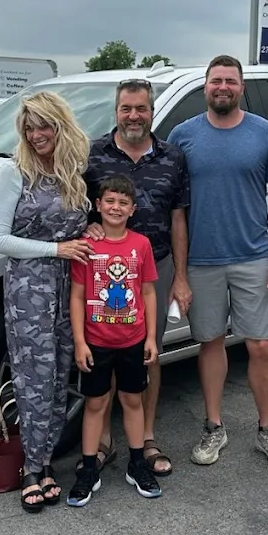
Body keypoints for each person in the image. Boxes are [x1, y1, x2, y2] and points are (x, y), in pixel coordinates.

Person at [168, 55, 268, 469]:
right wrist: (181, 274)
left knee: (261, 345)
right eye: (215, 81)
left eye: (230, 80)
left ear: (241, 87)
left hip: (254, 257)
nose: (222, 87)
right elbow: (176, 209)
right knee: (209, 342)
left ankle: (267, 431)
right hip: (202, 261)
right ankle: (213, 426)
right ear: (205, 87)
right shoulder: (183, 135)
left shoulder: (266, 134)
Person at [0, 91, 93, 512]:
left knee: (60, 372)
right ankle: (32, 468)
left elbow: (84, 223)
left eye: (43, 126)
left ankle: (47, 461)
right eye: (29, 128)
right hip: (29, 287)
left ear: (60, 125)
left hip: (72, 285)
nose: (36, 135)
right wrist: (57, 250)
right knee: (33, 375)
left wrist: (90, 237)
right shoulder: (16, 172)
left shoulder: (75, 170)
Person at [80, 77, 191, 477]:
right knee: (105, 352)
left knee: (147, 352)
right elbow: (78, 208)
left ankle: (146, 438)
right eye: (126, 108)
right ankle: (106, 441)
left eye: (141, 108)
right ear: (116, 111)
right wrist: (86, 229)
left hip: (154, 268)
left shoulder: (172, 157)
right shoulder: (92, 155)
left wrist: (179, 276)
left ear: (152, 111)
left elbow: (178, 218)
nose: (134, 116)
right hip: (102, 271)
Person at [67, 175, 163, 505]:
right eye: (109, 201)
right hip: (97, 341)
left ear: (133, 209)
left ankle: (137, 464)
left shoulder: (141, 245)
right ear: (98, 205)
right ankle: (89, 467)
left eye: (123, 203)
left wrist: (151, 337)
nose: (115, 207)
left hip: (133, 340)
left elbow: (148, 292)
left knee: (132, 400)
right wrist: (80, 341)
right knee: (95, 403)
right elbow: (77, 296)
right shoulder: (87, 246)